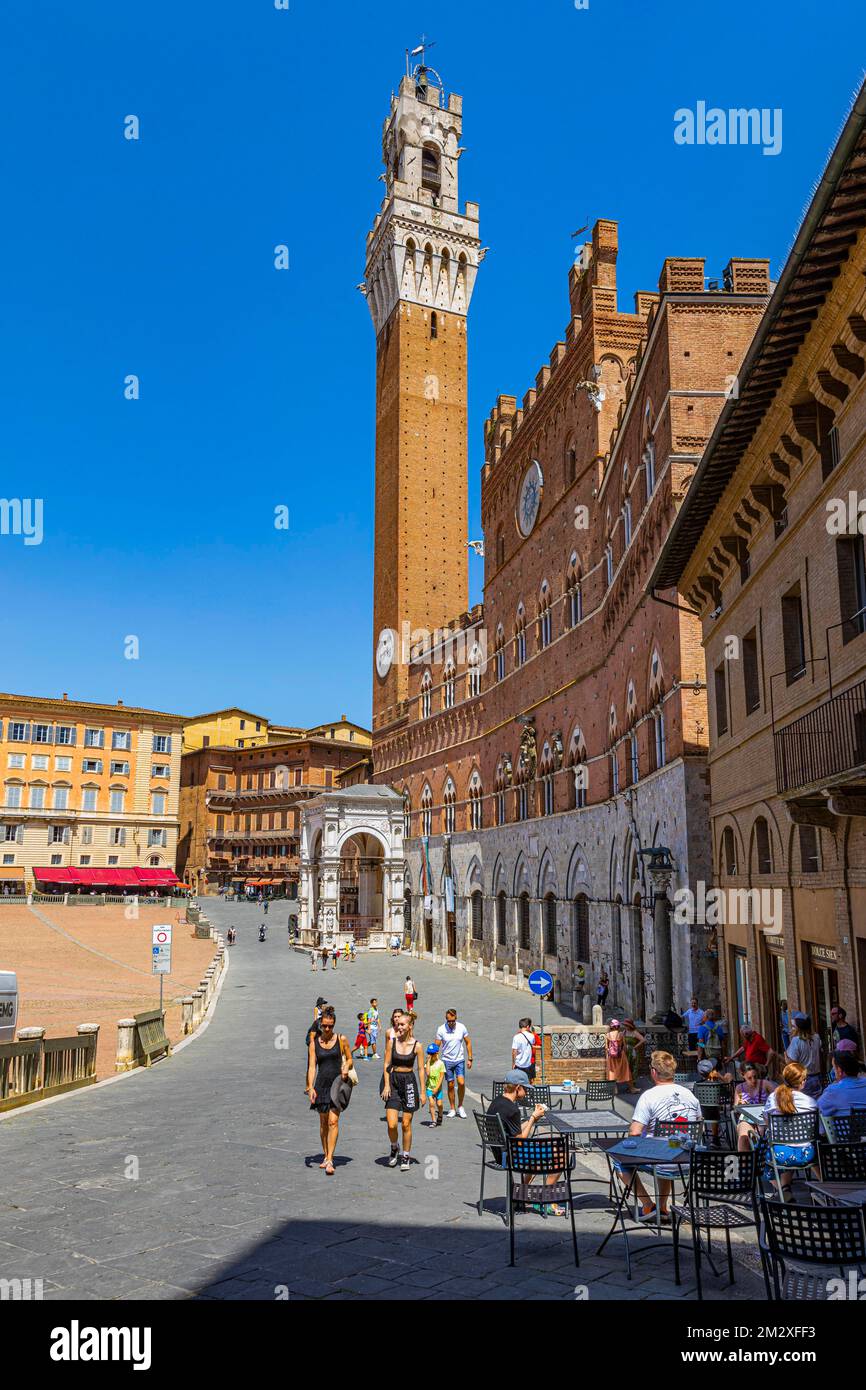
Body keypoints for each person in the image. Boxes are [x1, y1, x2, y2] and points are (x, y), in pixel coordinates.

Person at [621, 1051, 703, 1223]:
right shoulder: (690, 1095)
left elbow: (635, 1132)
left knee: (619, 1160)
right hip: (687, 1160)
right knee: (668, 1146)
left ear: (653, 1072)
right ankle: (662, 1206)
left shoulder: (649, 1096)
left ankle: (647, 1204)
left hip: (662, 1160)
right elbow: (698, 1125)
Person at [486, 1070, 565, 1215]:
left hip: (500, 1154)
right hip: (512, 1157)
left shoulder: (497, 1102)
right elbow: (521, 1139)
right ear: (518, 1088)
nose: (527, 1092)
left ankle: (521, 1197)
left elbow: (512, 1131)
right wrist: (534, 1118)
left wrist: (531, 1119)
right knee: (560, 1154)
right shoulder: (512, 1109)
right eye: (526, 1089)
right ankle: (546, 1201)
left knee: (537, 1151)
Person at [307, 1006, 353, 1176]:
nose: (327, 1029)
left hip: (337, 1085)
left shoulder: (342, 1039)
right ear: (320, 1024)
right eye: (325, 1025)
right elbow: (312, 1066)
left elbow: (350, 1059)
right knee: (323, 1123)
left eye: (331, 1026)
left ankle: (330, 1159)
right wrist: (310, 1087)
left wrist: (346, 1067)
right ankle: (326, 1154)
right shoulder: (314, 1043)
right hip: (321, 1085)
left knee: (333, 1121)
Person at [762, 1061, 817, 1193]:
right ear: (802, 1082)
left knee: (763, 1144)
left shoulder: (773, 1098)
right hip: (807, 1154)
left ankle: (783, 1190)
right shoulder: (810, 1102)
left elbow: (767, 1122)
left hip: (780, 1155)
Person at [382, 1011, 424, 1170]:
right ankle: (394, 1147)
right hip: (393, 1083)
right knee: (392, 1124)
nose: (398, 1027)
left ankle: (406, 1155)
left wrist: (423, 1092)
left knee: (406, 1124)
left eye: (402, 1024)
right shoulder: (392, 1042)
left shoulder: (417, 1045)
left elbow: (420, 1069)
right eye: (397, 1024)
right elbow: (386, 1064)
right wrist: (386, 1085)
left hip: (409, 1084)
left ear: (410, 1026)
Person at [436, 1008, 473, 1118]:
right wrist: (435, 1062)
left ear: (456, 1018)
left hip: (459, 1060)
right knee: (450, 1084)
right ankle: (452, 1108)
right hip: (447, 1061)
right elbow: (436, 1046)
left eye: (453, 1020)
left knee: (461, 1082)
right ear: (446, 1019)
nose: (451, 1023)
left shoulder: (462, 1027)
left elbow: (468, 1042)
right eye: (449, 1021)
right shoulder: (441, 1029)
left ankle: (460, 1106)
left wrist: (470, 1058)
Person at [818, 1049, 866, 1118]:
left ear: (839, 1071)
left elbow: (820, 1109)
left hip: (846, 1128)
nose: (833, 1072)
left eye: (834, 1068)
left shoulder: (833, 1091)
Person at [786, 1013, 824, 1099]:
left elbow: (791, 1064)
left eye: (793, 1026)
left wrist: (786, 1057)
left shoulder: (796, 1041)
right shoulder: (817, 1037)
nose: (792, 1029)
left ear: (798, 1028)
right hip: (817, 1077)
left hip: (803, 1079)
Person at [606, 1019, 634, 1094]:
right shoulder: (621, 1034)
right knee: (626, 1070)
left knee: (612, 1071)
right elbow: (624, 1046)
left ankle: (615, 1089)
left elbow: (606, 1047)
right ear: (618, 1026)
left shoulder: (608, 1035)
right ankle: (632, 1088)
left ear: (611, 1027)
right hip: (621, 1055)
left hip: (611, 1056)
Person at [622, 1019, 646, 1092]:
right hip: (626, 1052)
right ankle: (630, 1085)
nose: (625, 1027)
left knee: (633, 1067)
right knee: (627, 1068)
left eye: (627, 1025)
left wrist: (635, 1046)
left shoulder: (634, 1032)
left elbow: (643, 1040)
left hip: (633, 1052)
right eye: (625, 1025)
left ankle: (632, 1085)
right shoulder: (624, 1032)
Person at [511, 1017, 537, 1083]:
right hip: (528, 1064)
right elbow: (533, 1044)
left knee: (517, 1082)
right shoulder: (532, 1036)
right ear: (528, 1026)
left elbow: (514, 1052)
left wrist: (513, 1063)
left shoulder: (516, 1037)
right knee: (528, 1082)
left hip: (518, 1064)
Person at [425, 1044, 445, 1125]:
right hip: (429, 1087)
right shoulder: (428, 1063)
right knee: (431, 1103)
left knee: (439, 1104)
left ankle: (440, 1114)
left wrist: (437, 1088)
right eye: (429, 1053)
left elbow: (441, 1077)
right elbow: (428, 1074)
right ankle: (433, 1120)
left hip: (438, 1088)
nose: (430, 1055)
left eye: (432, 1054)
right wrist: (428, 1062)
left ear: (437, 1053)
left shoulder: (441, 1063)